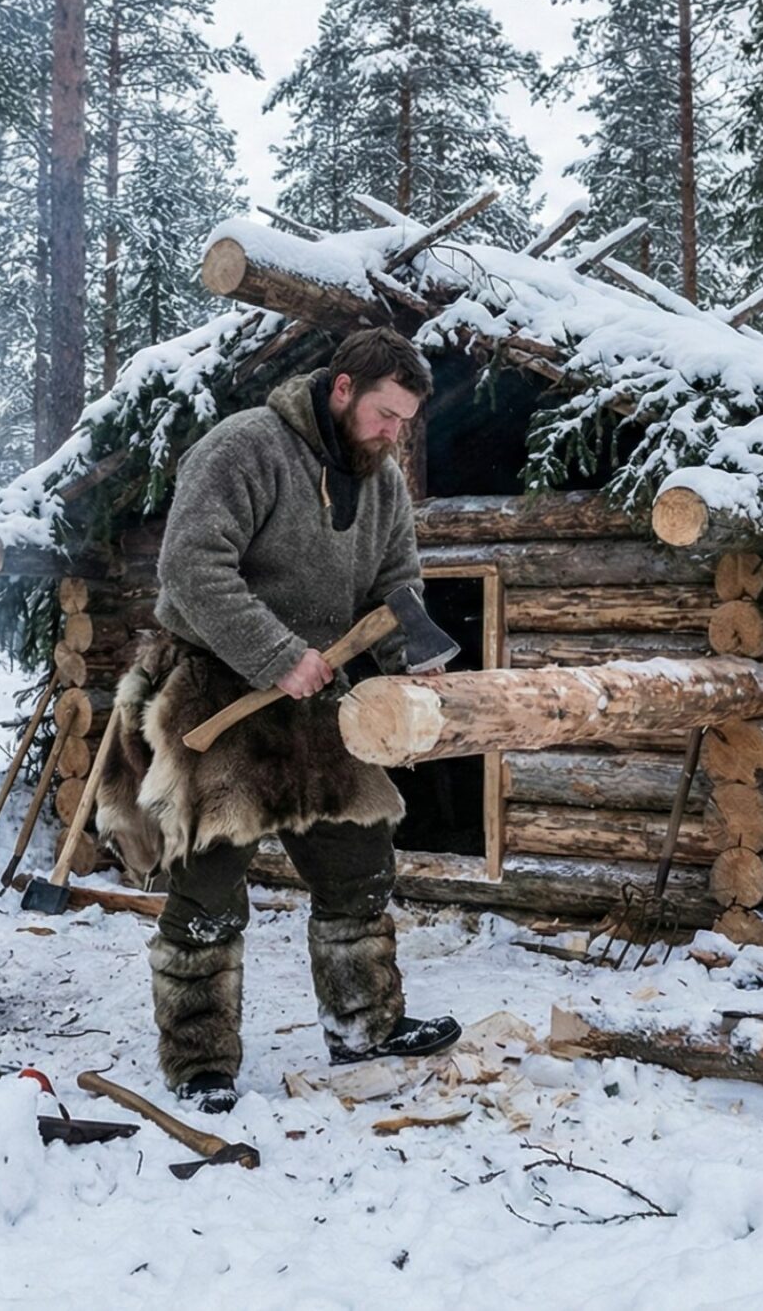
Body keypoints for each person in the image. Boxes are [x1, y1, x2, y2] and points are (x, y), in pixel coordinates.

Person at [93, 327, 462, 1114]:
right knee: (210, 891)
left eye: (405, 420)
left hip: (318, 698)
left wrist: (409, 665)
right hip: (218, 694)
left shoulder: (383, 479)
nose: (396, 433)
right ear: (341, 389)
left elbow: (398, 583)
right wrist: (275, 651)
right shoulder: (246, 448)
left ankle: (364, 1024)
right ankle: (199, 1064)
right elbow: (191, 567)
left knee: (359, 866)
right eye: (387, 414)